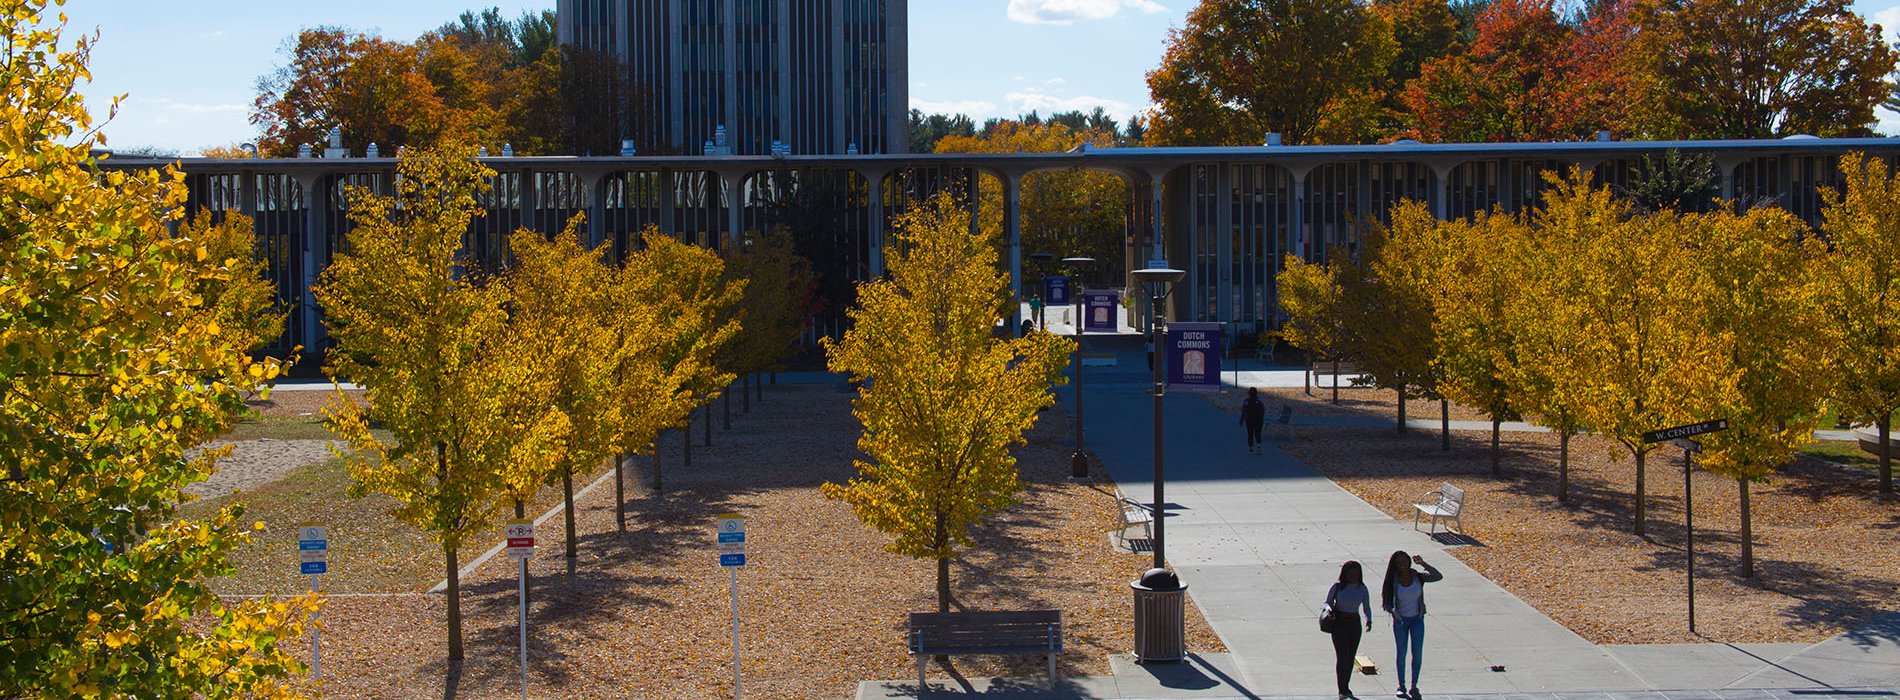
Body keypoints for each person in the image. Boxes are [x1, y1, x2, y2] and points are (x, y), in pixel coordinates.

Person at [1382, 550, 1443, 700]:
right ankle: (1401, 686)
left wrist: (1423, 563)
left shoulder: (1417, 576)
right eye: (1399, 562)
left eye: (1405, 561)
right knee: (1401, 653)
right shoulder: (1393, 580)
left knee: (1417, 653)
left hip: (1417, 619)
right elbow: (1387, 602)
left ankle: (1414, 686)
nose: (1402, 564)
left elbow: (1437, 576)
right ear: (1395, 565)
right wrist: (1393, 612)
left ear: (1409, 562)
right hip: (1401, 621)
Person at [1324, 560, 1374, 700]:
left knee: (1350, 656)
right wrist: (1328, 610)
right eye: (1350, 573)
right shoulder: (1337, 586)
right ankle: (1342, 689)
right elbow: (1327, 601)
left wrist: (1369, 619)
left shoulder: (1362, 588)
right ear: (1345, 574)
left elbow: (1366, 607)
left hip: (1354, 622)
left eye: (1356, 573)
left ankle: (1346, 686)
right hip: (1339, 622)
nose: (1353, 576)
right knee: (1342, 656)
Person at [1240, 387, 1267, 453]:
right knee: (1258, 433)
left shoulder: (1246, 401)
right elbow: (1262, 411)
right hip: (1258, 420)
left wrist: (1241, 420)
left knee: (1250, 433)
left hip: (1249, 420)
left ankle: (1251, 447)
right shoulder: (1259, 402)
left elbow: (1244, 411)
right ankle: (1258, 446)